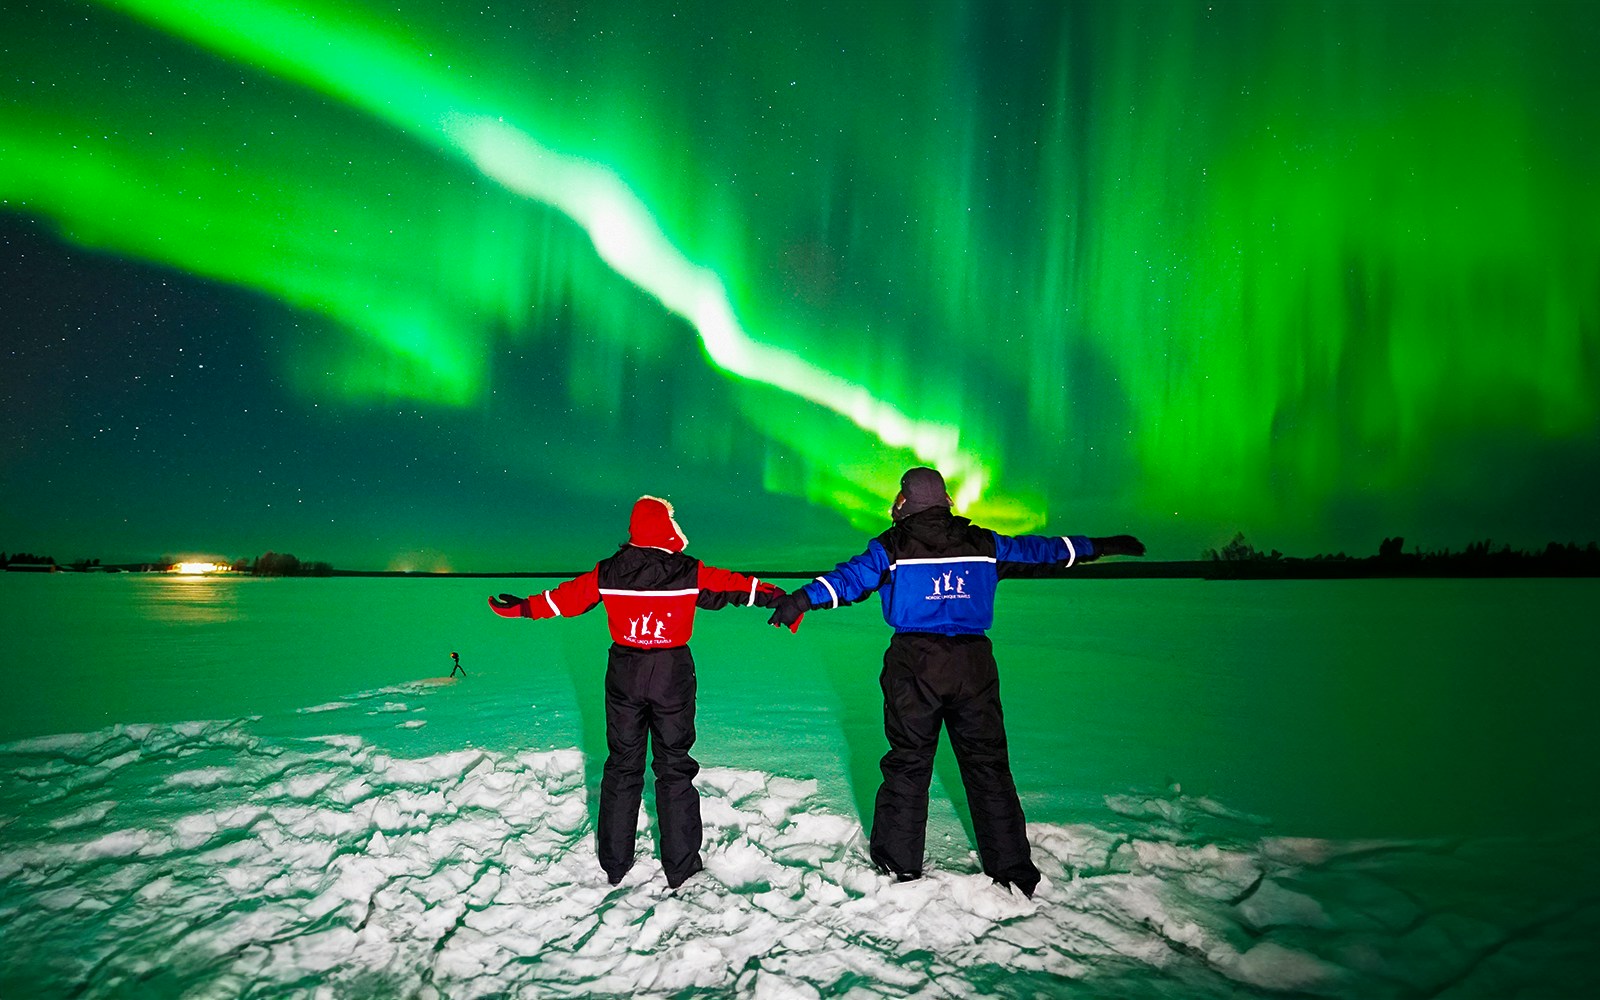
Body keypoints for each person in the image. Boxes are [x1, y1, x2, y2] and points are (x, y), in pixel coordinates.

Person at [766, 467, 1144, 898]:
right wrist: (1095, 547)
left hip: (915, 665)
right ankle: (1013, 870)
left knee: (909, 762)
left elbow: (850, 581)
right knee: (988, 765)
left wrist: (801, 599)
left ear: (903, 503)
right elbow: (1040, 551)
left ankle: (898, 863)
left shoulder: (892, 546)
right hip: (972, 664)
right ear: (945, 500)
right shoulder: (983, 542)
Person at [489, 495, 793, 889]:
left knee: (622, 764)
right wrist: (777, 596)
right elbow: (733, 586)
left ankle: (615, 863)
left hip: (624, 672)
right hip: (671, 673)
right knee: (674, 766)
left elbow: (566, 598)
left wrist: (524, 607)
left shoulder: (610, 571)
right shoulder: (687, 571)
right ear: (665, 526)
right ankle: (681, 867)